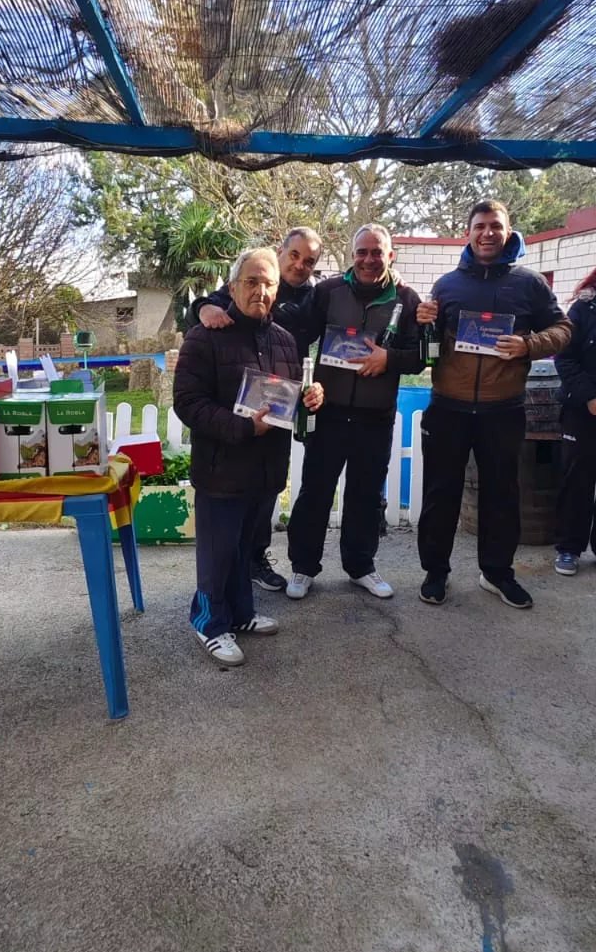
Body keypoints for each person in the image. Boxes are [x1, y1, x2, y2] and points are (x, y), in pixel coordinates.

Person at [416, 199, 571, 610]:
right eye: (480, 225)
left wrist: (528, 345)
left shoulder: (530, 284)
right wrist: (424, 319)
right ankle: (435, 572)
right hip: (448, 406)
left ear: (508, 232)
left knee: (502, 495)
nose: (487, 233)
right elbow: (429, 345)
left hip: (503, 409)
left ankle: (497, 573)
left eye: (495, 226)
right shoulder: (447, 284)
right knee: (440, 493)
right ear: (468, 232)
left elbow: (563, 328)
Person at [173, 247, 324, 667]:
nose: (260, 290)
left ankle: (239, 615)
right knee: (218, 553)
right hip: (222, 469)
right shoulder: (205, 336)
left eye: (268, 283)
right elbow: (187, 403)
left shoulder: (284, 340)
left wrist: (310, 399)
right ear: (233, 286)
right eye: (252, 281)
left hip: (266, 470)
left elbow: (289, 398)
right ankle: (208, 623)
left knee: (244, 550)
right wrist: (241, 427)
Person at [285, 223, 421, 601]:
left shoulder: (406, 300)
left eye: (377, 252)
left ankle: (361, 566)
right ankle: (302, 567)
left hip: (375, 417)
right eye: (362, 252)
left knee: (363, 496)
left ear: (390, 256)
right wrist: (299, 383)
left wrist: (389, 358)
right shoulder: (327, 291)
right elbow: (297, 335)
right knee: (315, 492)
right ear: (352, 255)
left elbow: (422, 358)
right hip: (328, 414)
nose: (368, 259)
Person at [189, 225, 323, 592]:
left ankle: (255, 562)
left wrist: (309, 395)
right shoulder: (252, 278)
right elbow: (210, 303)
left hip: (274, 421)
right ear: (281, 252)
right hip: (230, 426)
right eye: (294, 255)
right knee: (224, 533)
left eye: (309, 261)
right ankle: (215, 607)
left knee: (261, 506)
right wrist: (203, 309)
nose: (300, 265)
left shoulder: (314, 299)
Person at [554, 249, 596, 578]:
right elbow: (565, 359)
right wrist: (591, 399)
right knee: (577, 480)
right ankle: (568, 548)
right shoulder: (583, 310)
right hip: (583, 411)